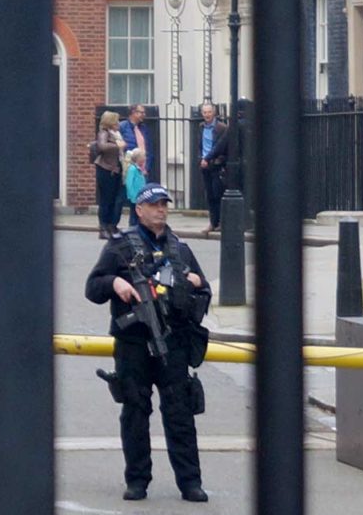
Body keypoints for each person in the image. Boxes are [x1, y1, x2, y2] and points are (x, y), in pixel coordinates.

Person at [85, 183, 212, 503]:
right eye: (154, 205)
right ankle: (137, 480)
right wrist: (116, 282)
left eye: (165, 204)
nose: (161, 210)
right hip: (134, 343)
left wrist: (195, 283)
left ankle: (190, 482)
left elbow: (203, 292)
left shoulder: (180, 248)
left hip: (174, 342)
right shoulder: (120, 248)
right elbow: (93, 287)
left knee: (180, 412)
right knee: (135, 410)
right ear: (139, 210)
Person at [94, 111, 126, 239]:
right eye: (116, 121)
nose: (118, 123)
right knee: (106, 200)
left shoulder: (117, 134)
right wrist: (117, 145)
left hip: (117, 170)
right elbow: (102, 146)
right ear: (110, 123)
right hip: (106, 170)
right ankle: (103, 228)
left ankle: (112, 226)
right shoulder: (104, 133)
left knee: (115, 199)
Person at [119, 105, 151, 223]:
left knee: (143, 200)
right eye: (140, 112)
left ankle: (140, 225)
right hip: (131, 166)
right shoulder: (123, 126)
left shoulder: (143, 128)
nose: (143, 115)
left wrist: (147, 166)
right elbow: (120, 147)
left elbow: (148, 147)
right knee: (133, 199)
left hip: (143, 167)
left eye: (144, 112)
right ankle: (131, 225)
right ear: (133, 113)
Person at [198, 103, 227, 233]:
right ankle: (212, 223)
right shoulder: (201, 127)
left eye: (209, 112)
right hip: (204, 164)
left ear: (214, 113)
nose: (207, 115)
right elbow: (200, 144)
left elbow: (221, 147)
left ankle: (221, 222)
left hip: (216, 165)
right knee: (209, 196)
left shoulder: (221, 128)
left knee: (218, 194)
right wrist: (201, 159)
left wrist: (212, 160)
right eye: (204, 112)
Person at [123, 148, 148, 228]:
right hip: (135, 197)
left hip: (140, 196)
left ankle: (137, 227)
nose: (145, 158)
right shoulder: (132, 169)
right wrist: (133, 196)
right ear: (138, 158)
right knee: (134, 214)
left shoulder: (138, 169)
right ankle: (132, 227)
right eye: (143, 156)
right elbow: (129, 183)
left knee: (139, 214)